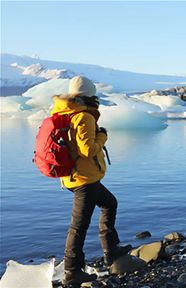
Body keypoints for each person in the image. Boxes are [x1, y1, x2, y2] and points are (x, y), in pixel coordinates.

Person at [50, 76, 131, 286]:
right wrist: (102, 137)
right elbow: (87, 149)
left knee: (109, 203)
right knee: (78, 226)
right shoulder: (83, 116)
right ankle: (72, 271)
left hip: (74, 177)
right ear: (88, 95)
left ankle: (111, 251)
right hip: (85, 179)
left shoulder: (64, 112)